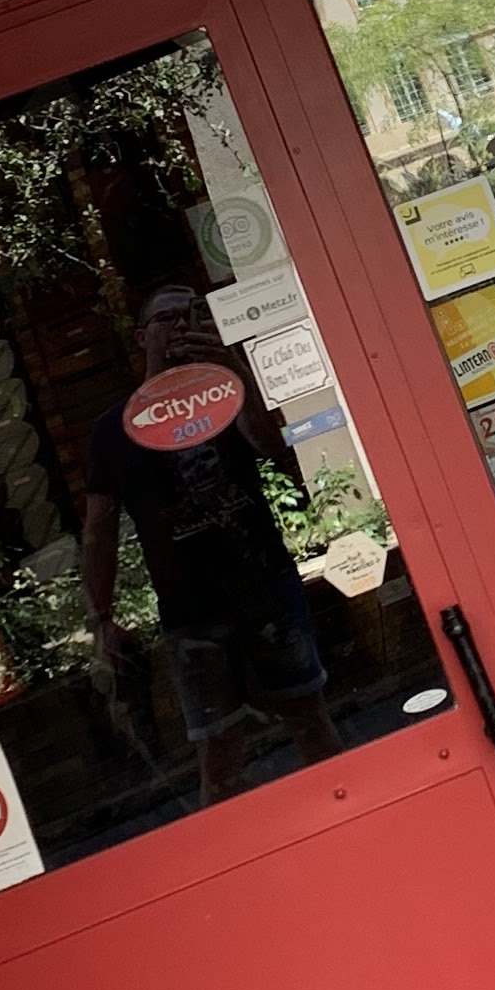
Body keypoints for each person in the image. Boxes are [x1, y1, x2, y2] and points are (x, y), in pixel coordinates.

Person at [78, 283, 341, 804]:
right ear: (140, 337)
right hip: (190, 611)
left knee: (308, 716)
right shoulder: (113, 429)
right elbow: (98, 529)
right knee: (218, 750)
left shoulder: (228, 397)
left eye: (194, 315)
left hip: (265, 589)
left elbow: (274, 449)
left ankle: (356, 814)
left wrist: (235, 374)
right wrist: (101, 617)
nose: (182, 325)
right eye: (168, 317)